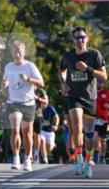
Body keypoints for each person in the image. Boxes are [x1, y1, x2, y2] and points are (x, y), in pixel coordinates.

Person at [59, 27, 106, 179]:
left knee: (90, 135)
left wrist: (88, 69)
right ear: (73, 40)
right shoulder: (68, 56)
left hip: (89, 98)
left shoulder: (94, 54)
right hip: (73, 97)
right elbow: (61, 71)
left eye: (82, 37)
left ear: (87, 38)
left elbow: (104, 76)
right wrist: (63, 83)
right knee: (77, 125)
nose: (80, 40)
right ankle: (78, 159)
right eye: (77, 37)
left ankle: (87, 161)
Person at [2, 41, 44, 172]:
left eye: (20, 51)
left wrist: (28, 79)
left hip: (28, 103)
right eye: (15, 51)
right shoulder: (8, 66)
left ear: (24, 52)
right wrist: (3, 86)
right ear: (12, 52)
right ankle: (15, 157)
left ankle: (27, 157)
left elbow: (41, 83)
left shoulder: (30, 66)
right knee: (15, 127)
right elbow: (4, 88)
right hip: (13, 102)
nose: (17, 53)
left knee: (27, 133)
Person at [38, 91, 59, 164]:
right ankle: (45, 160)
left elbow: (56, 117)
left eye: (46, 98)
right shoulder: (38, 109)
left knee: (49, 146)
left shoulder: (50, 108)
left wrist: (56, 125)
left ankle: (51, 146)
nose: (44, 100)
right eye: (43, 98)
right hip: (41, 130)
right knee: (42, 141)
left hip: (50, 131)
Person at [92, 75, 109, 164]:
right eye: (97, 81)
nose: (99, 83)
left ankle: (102, 155)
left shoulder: (107, 93)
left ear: (103, 83)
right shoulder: (92, 92)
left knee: (103, 141)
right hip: (95, 118)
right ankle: (96, 153)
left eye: (101, 82)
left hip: (104, 120)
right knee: (95, 136)